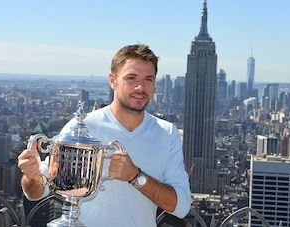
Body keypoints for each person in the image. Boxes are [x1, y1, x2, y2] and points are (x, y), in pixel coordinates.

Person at [18, 44, 191, 226]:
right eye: (131, 78)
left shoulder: (167, 133)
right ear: (113, 80)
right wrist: (32, 176)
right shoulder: (83, 126)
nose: (140, 87)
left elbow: (181, 207)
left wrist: (135, 176)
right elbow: (36, 192)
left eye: (149, 79)